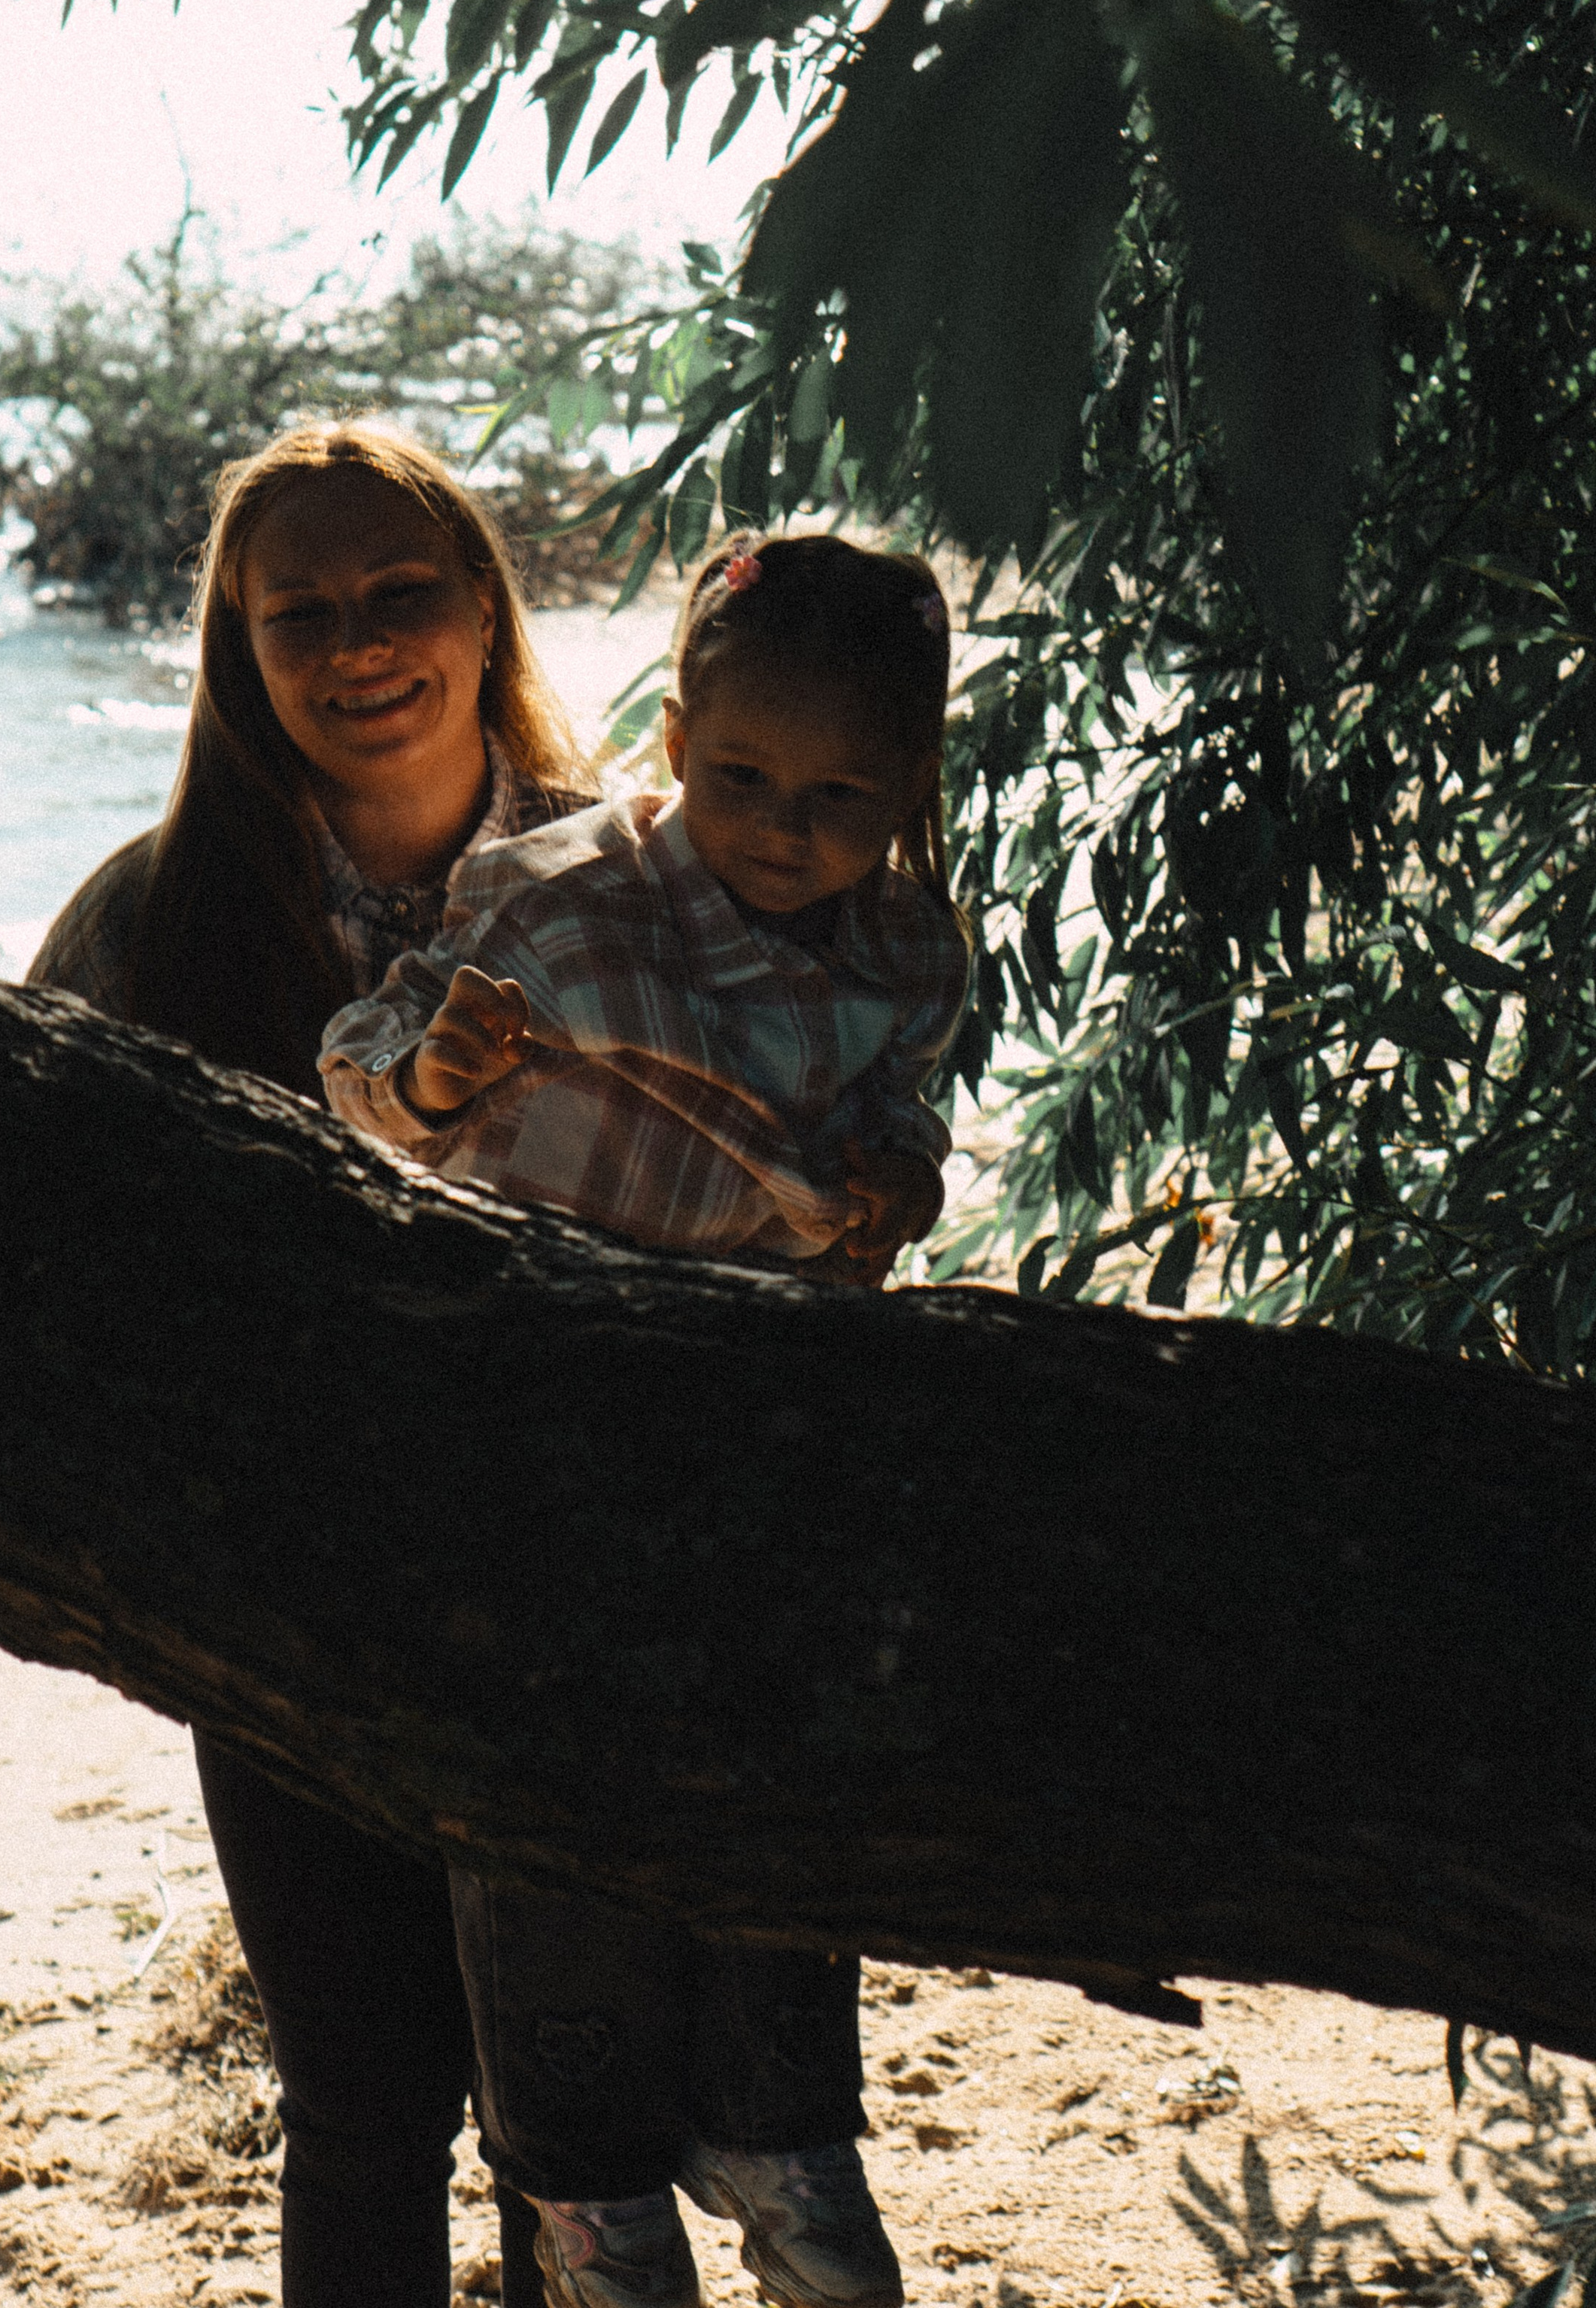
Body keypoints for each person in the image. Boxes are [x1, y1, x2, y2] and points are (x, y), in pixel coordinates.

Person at [320, 533, 972, 2308]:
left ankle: (776, 2128)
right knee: (554, 1789)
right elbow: (366, 1063)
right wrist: (437, 1072)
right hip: (549, 1410)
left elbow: (908, 1118)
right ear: (674, 737)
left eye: (842, 795)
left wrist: (883, 1188)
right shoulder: (559, 902)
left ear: (911, 784)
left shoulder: (904, 939)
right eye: (744, 775)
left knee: (776, 1749)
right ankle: (586, 2183)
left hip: (769, 1410)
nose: (782, 825)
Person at [29, 418, 593, 2308]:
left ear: (480, 606)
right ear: (240, 652)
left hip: (583, 1589)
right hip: (285, 1606)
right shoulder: (152, 917)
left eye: (398, 592)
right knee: (362, 2101)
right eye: (304, 613)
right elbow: (25, 1242)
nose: (360, 644)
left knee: (573, 2114)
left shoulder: (637, 890)